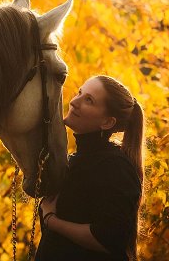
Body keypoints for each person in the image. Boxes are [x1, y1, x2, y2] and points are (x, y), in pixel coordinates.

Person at [35, 75, 144, 261]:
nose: (75, 102)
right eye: (80, 92)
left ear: (107, 122)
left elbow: (108, 240)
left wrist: (51, 221)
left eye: (89, 100)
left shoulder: (115, 166)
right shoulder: (75, 160)